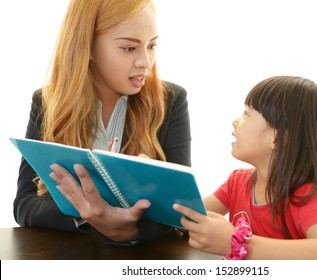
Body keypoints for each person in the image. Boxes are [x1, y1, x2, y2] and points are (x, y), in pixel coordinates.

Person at [14, 0, 191, 245]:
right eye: (129, 48)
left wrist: (129, 231)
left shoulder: (170, 101)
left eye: (152, 46)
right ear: (88, 47)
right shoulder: (47, 102)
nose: (145, 62)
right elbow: (25, 204)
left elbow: (181, 210)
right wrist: (89, 216)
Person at [173, 76, 317, 259]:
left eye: (246, 113)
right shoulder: (237, 183)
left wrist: (238, 243)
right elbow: (184, 217)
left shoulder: (304, 197)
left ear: (278, 138)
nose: (235, 122)